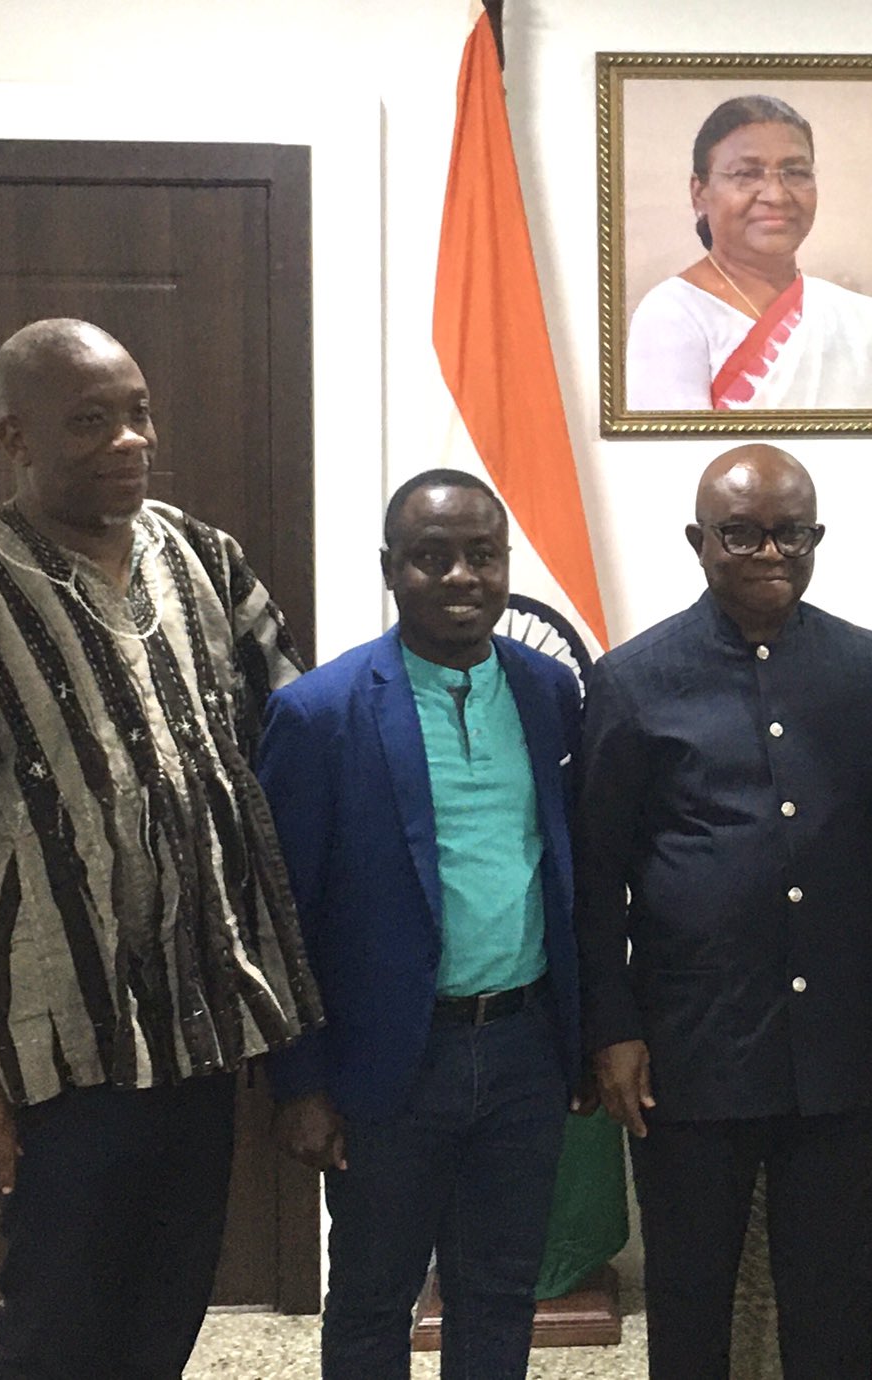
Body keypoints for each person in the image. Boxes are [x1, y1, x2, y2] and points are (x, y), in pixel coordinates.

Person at [0, 318, 322, 1379]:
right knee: (57, 1330)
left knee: (167, 1314)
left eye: (139, 413)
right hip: (62, 1057)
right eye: (90, 421)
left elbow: (296, 734)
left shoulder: (204, 559)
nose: (130, 440)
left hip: (201, 1031)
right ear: (15, 437)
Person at [577, 445, 872, 1379]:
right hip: (692, 1048)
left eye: (792, 533)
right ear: (698, 541)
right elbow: (595, 877)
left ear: (816, 538)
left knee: (834, 1309)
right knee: (690, 1308)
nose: (771, 552)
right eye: (742, 534)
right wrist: (612, 1028)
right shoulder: (632, 679)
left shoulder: (867, 666)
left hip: (840, 1046)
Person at [254, 470, 582, 1379]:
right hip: (388, 1064)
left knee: (500, 1294)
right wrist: (299, 1083)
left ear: (505, 564)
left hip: (522, 1051)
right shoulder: (318, 714)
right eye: (432, 558)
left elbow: (575, 872)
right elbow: (280, 914)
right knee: (371, 1300)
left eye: (483, 555)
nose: (462, 577)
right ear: (391, 569)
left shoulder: (550, 692)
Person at [625, 95, 872, 411]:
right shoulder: (675, 313)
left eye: (796, 173)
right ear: (700, 193)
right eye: (747, 174)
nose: (776, 196)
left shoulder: (871, 322)